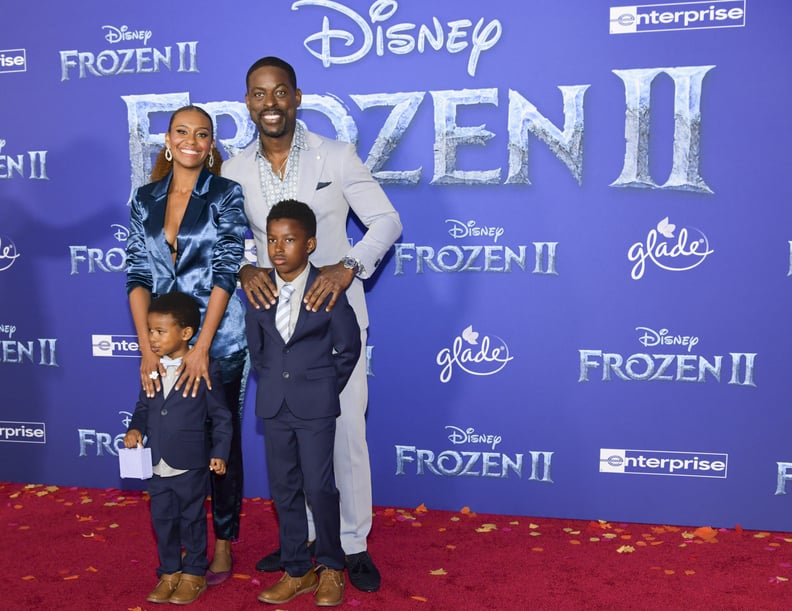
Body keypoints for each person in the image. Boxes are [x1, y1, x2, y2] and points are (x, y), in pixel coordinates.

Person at [222, 56, 402, 593]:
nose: (270, 102)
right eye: (258, 94)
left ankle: (352, 544)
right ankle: (298, 543)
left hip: (331, 323)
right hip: (275, 330)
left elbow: (387, 220)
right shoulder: (233, 169)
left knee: (344, 433)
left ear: (297, 98)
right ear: (248, 102)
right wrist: (242, 265)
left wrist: (348, 267)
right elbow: (225, 240)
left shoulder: (337, 155)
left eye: (280, 92)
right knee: (288, 440)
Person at [126, 104, 248, 586]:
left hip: (219, 343)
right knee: (171, 435)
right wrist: (146, 348)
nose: (192, 141)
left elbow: (226, 270)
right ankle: (175, 550)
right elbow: (137, 275)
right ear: (168, 140)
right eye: (182, 132)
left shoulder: (225, 194)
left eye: (202, 134)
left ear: (212, 143)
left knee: (221, 442)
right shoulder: (144, 199)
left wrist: (203, 346)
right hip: (164, 343)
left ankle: (220, 542)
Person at [246, 199, 360, 606]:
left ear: (309, 244)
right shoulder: (258, 293)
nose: (278, 248)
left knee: (319, 488)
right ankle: (297, 570)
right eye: (272, 239)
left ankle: (330, 566)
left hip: (315, 408)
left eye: (289, 239)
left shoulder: (326, 290)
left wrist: (322, 388)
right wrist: (278, 381)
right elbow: (257, 352)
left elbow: (348, 348)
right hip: (274, 406)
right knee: (284, 489)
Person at [123, 291, 232, 605]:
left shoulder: (204, 369)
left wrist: (219, 452)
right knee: (162, 521)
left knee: (193, 520)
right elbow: (143, 407)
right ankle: (169, 571)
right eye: (149, 331)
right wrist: (135, 428)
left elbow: (221, 417)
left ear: (185, 333)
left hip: (190, 463)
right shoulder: (152, 368)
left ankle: (194, 573)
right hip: (156, 464)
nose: (152, 339)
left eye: (159, 332)